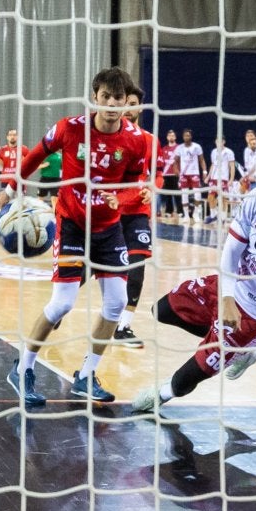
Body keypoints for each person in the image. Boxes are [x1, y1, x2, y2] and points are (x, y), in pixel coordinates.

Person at [134, 159, 256, 416]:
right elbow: (231, 250)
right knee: (162, 310)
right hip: (227, 286)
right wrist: (227, 298)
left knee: (186, 379)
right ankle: (241, 353)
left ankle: (159, 395)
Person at [5, 68, 147, 406]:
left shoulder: (134, 140)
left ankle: (85, 375)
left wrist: (121, 200)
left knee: (115, 303)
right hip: (70, 225)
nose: (112, 105)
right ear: (95, 98)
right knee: (62, 303)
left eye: (118, 99)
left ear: (126, 102)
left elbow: (134, 186)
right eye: (106, 98)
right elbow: (38, 152)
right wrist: (12, 185)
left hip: (109, 230)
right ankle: (22, 368)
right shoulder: (71, 129)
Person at [113, 77, 156, 348]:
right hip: (109, 212)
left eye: (133, 103)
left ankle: (123, 327)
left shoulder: (150, 140)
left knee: (136, 271)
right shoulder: (108, 136)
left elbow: (158, 174)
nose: (127, 108)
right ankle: (59, 306)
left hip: (137, 214)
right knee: (88, 270)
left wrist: (153, 189)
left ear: (140, 108)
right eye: (123, 103)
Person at [175, 129, 207, 223]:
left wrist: (204, 172)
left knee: (197, 194)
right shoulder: (180, 148)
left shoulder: (197, 146)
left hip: (194, 173)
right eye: (185, 135)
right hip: (184, 174)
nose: (186, 137)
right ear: (183, 136)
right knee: (184, 195)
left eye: (188, 135)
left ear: (191, 136)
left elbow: (202, 160)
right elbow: (175, 162)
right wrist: (178, 173)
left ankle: (195, 213)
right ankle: (186, 216)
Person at [207, 136, 236, 224]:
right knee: (210, 197)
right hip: (214, 178)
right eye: (217, 141)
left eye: (221, 141)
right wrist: (208, 176)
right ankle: (213, 215)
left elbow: (232, 166)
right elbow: (213, 164)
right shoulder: (213, 152)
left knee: (223, 198)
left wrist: (231, 179)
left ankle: (223, 218)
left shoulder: (229, 152)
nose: (218, 142)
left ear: (224, 141)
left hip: (223, 178)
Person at [0, 129, 23, 210]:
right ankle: (2, 220)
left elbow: (29, 162)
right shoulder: (2, 149)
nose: (12, 137)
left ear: (17, 137)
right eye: (10, 135)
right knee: (3, 203)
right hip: (5, 180)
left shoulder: (23, 149)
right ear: (7, 137)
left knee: (19, 204)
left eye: (14, 135)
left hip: (18, 180)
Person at [159, 129, 181, 219]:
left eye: (172, 135)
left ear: (175, 137)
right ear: (167, 137)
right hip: (166, 175)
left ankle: (180, 211)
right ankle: (168, 211)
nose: (171, 137)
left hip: (176, 175)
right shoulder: (164, 149)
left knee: (177, 194)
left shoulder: (179, 148)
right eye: (169, 135)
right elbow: (162, 162)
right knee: (167, 194)